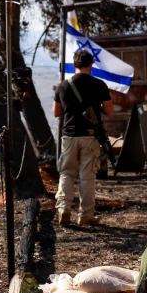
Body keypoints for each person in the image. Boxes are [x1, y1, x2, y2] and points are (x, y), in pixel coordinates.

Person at [53, 49, 115, 226]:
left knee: (66, 173)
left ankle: (64, 208)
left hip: (69, 136)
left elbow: (57, 112)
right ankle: (86, 215)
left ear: (74, 66)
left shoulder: (63, 86)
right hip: (90, 137)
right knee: (87, 176)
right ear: (91, 65)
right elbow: (109, 111)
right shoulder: (99, 84)